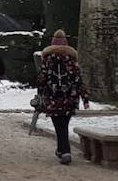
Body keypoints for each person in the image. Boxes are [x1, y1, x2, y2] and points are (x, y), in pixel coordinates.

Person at [37, 29, 89, 164]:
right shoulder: (71, 59)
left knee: (58, 124)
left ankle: (64, 150)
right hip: (69, 97)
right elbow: (78, 79)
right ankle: (62, 150)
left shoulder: (48, 59)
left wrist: (40, 94)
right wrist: (85, 98)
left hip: (53, 97)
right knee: (64, 123)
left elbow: (42, 79)